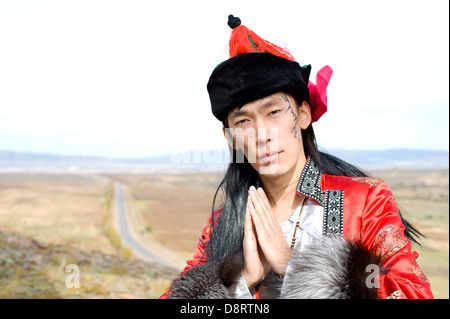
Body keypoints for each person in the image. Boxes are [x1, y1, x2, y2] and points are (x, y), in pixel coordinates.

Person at [160, 15, 433, 299]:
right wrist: (243, 280)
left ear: (303, 115)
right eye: (242, 121)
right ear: (230, 137)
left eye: (274, 112)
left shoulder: (364, 201)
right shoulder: (222, 225)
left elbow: (413, 293)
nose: (261, 135)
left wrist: (292, 267)